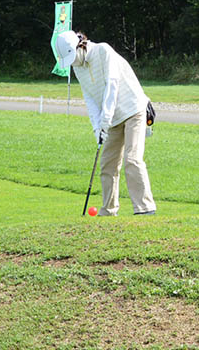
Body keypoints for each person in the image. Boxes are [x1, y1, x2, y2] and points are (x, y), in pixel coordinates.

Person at [53, 30, 157, 216]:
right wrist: (97, 129)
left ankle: (145, 209)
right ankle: (108, 211)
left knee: (132, 159)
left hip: (134, 109)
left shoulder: (103, 51)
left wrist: (105, 120)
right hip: (112, 117)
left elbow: (112, 85)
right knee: (107, 165)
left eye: (72, 57)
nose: (72, 63)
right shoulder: (78, 67)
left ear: (80, 46)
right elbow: (90, 99)